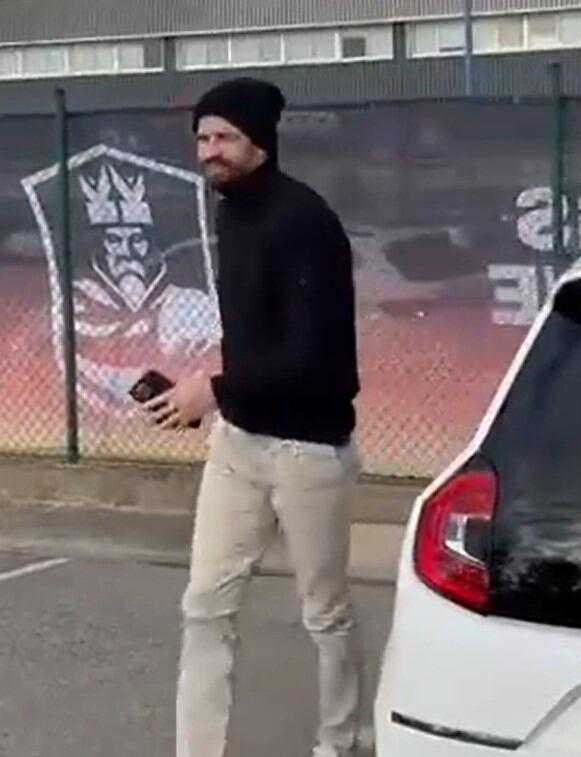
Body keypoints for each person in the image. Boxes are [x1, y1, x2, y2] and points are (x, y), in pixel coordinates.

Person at [144, 77, 362, 757]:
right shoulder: (230, 212)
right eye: (203, 138)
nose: (210, 151)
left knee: (324, 612)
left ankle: (341, 740)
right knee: (203, 604)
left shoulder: (304, 221)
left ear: (260, 142)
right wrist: (207, 389)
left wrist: (210, 386)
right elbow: (253, 340)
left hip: (310, 451)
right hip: (238, 442)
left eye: (225, 138)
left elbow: (312, 357)